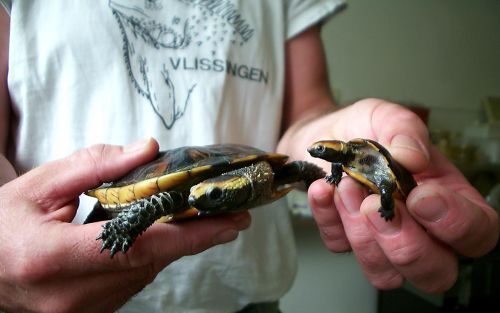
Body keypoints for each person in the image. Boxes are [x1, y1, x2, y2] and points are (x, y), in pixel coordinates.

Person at [0, 1, 497, 313]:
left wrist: (334, 153)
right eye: (212, 194)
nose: (216, 197)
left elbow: (306, 115)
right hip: (50, 286)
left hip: (246, 294)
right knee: (152, 204)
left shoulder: (269, 172)